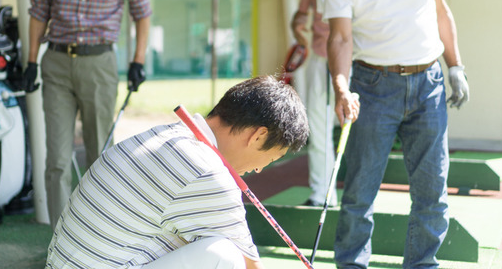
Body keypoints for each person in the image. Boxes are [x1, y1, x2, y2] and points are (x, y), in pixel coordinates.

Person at [323, 0, 470, 269]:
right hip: (372, 87)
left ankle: (422, 265)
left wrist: (455, 66)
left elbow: (441, 13)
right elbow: (340, 38)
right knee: (359, 192)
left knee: (432, 191)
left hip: (429, 84)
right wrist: (341, 87)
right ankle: (351, 265)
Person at [44, 75, 309, 269]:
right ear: (258, 136)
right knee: (225, 256)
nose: (259, 169)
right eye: (270, 158)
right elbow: (250, 265)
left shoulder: (163, 134)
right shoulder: (207, 172)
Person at [23, 0, 152, 229]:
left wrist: (138, 60)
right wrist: (31, 61)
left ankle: (100, 233)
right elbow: (38, 11)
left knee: (100, 156)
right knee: (57, 159)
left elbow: (142, 12)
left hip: (99, 64)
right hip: (56, 63)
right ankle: (59, 238)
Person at [291, 0, 350, 207]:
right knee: (318, 126)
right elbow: (301, 14)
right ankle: (321, 195)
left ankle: (355, 197)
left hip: (353, 60)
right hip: (320, 58)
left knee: (353, 128)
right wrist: (298, 25)